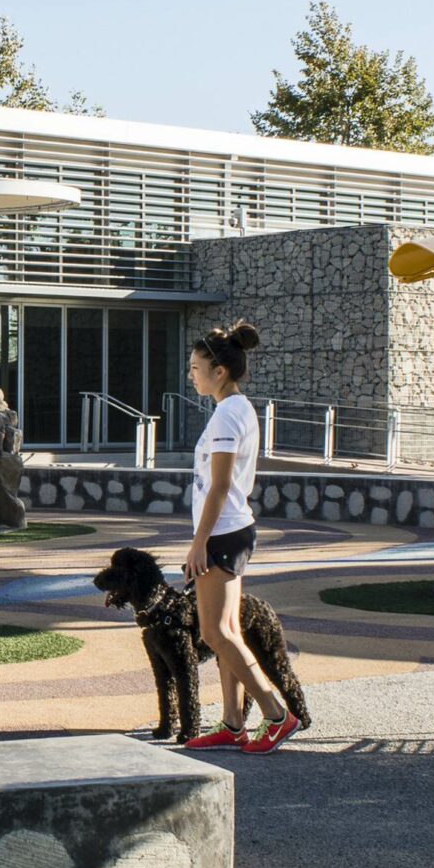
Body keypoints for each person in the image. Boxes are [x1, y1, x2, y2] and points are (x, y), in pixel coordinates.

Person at [179, 321, 300, 754]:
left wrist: (199, 543)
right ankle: (232, 723)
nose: (190, 374)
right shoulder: (235, 408)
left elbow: (219, 485)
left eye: (196, 367)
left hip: (223, 532)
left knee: (215, 632)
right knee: (228, 628)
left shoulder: (229, 414)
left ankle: (276, 714)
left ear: (220, 372)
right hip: (232, 528)